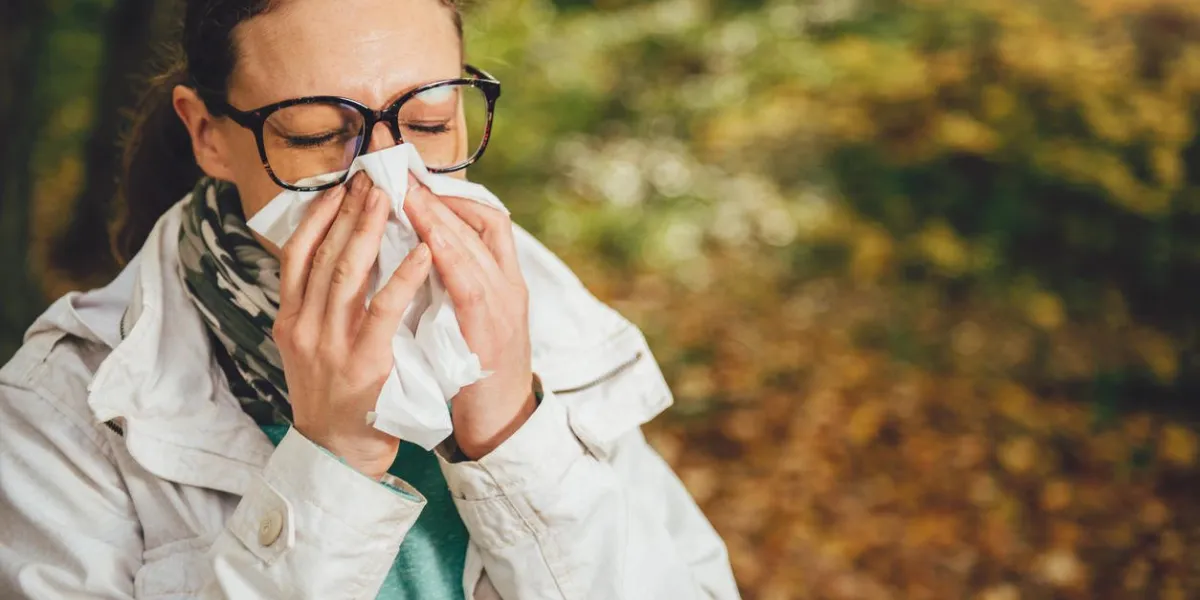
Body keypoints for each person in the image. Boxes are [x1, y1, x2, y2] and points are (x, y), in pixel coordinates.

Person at [0, 0, 740, 598]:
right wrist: (333, 459)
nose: (388, 178)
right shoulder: (62, 409)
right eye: (318, 134)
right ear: (208, 134)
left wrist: (512, 433)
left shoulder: (547, 321)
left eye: (428, 124)